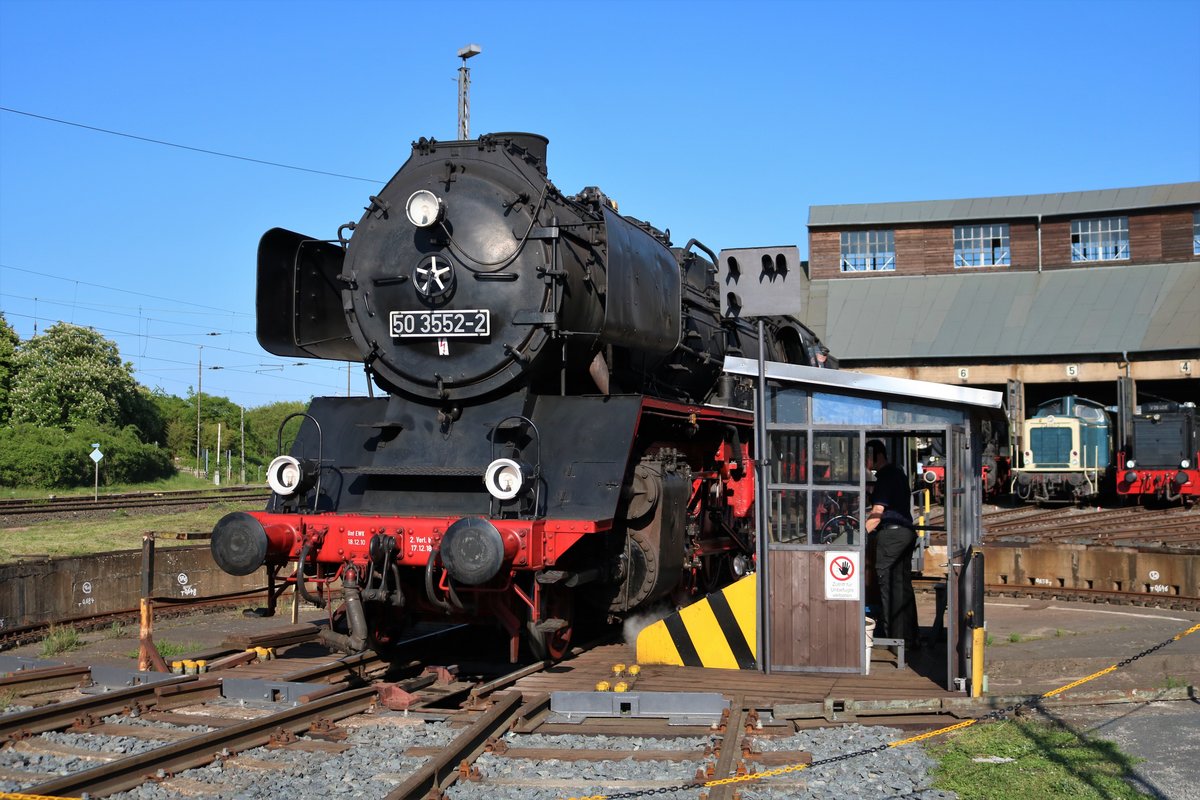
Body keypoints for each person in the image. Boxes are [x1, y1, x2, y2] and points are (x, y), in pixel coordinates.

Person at [864, 439, 920, 651]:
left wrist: (858, 536)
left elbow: (877, 515)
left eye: (867, 457)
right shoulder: (897, 473)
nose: (865, 462)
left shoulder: (885, 477)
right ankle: (909, 637)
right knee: (903, 587)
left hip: (892, 537)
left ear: (877, 456)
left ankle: (893, 640)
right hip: (906, 534)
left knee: (887, 586)